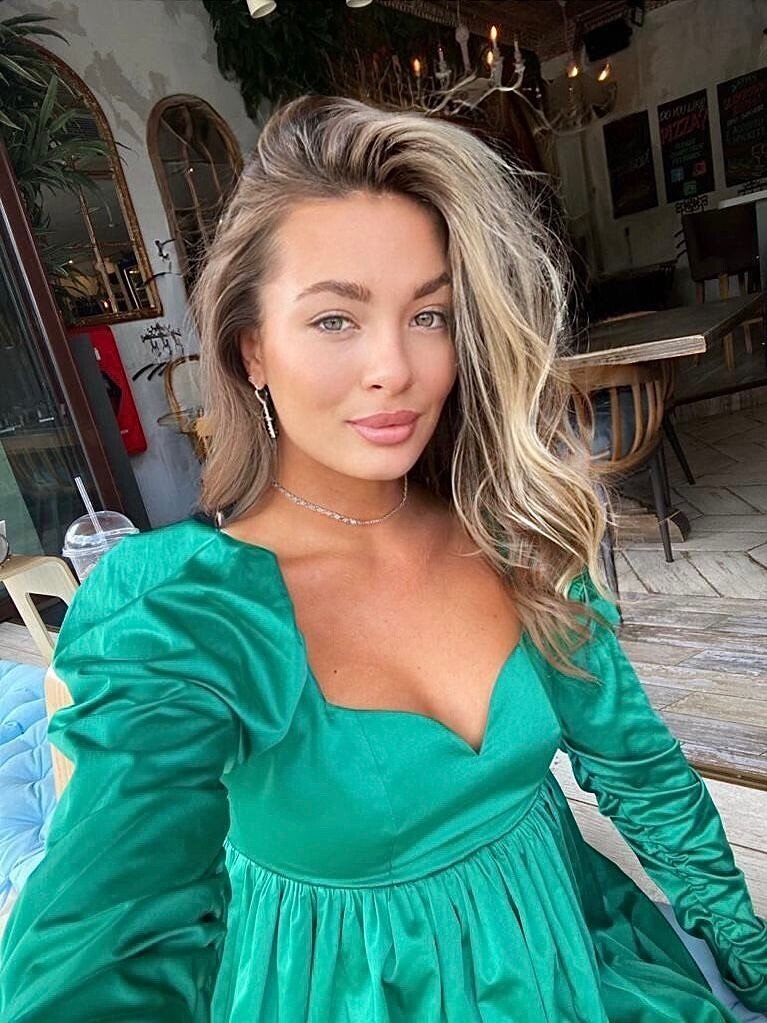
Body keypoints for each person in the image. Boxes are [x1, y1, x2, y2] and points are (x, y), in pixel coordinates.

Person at [0, 93, 765, 1023]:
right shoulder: (185, 612)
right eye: (334, 318)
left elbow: (640, 770)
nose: (394, 369)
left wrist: (749, 958)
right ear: (250, 349)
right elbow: (105, 938)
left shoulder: (510, 533)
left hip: (574, 948)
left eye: (429, 314)